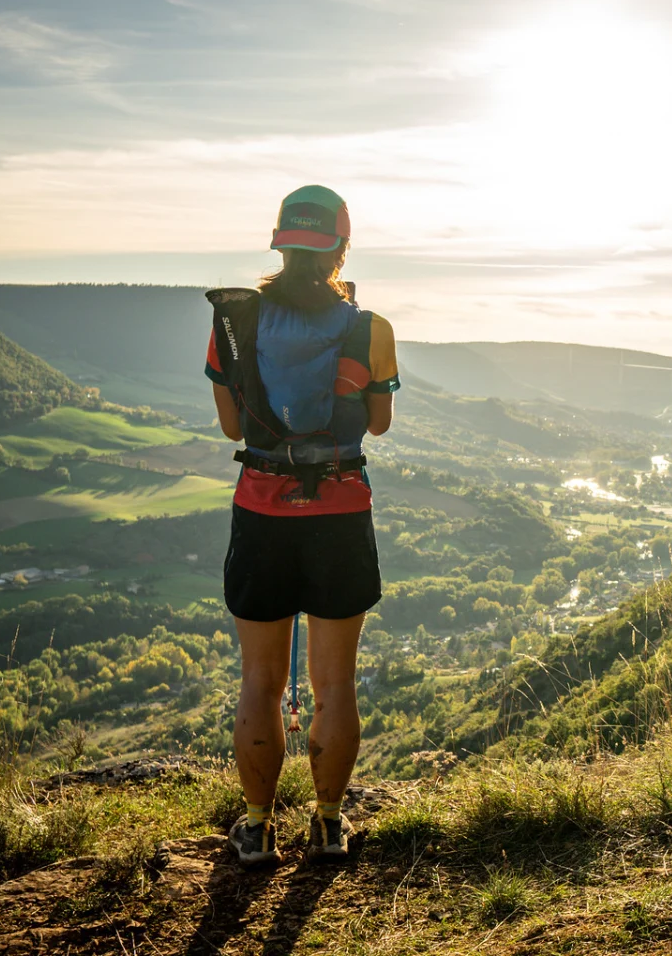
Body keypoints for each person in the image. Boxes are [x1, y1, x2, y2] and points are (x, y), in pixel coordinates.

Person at [205, 184, 400, 865]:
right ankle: (327, 824)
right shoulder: (369, 327)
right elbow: (377, 422)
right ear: (341, 248)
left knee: (259, 682)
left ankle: (257, 828)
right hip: (341, 514)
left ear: (281, 242)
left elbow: (232, 423)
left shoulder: (236, 321)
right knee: (335, 683)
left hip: (261, 511)